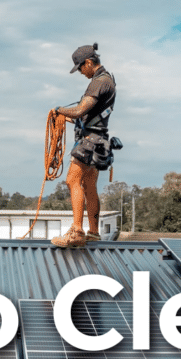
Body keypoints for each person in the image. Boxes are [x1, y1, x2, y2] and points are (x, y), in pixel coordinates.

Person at [51, 42, 116, 248]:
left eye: (80, 67)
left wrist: (59, 110)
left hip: (89, 142)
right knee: (88, 185)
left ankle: (77, 231)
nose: (80, 72)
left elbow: (79, 110)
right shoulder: (106, 80)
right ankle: (94, 233)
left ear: (89, 62)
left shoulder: (99, 82)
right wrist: (65, 118)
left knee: (72, 181)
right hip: (98, 139)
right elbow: (86, 116)